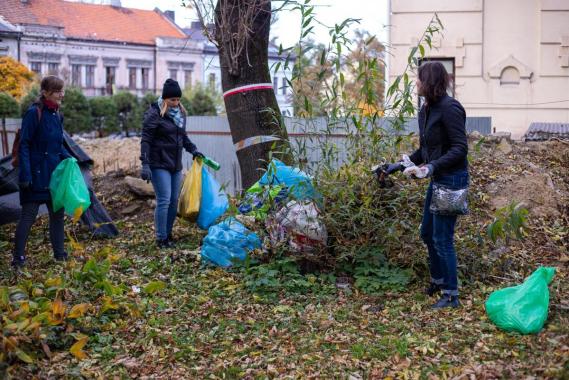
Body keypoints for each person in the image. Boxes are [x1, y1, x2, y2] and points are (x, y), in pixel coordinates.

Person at [379, 61, 469, 309]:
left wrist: (430, 168)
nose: (415, 83)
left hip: (451, 179)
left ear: (428, 81)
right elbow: (426, 150)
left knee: (442, 238)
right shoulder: (426, 109)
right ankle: (438, 281)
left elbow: (460, 149)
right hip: (438, 177)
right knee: (427, 233)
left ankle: (451, 295)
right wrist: (398, 165)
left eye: (418, 78)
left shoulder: (450, 108)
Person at [13, 75, 71, 268]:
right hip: (35, 175)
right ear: (46, 92)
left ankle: (60, 255)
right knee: (28, 217)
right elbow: (25, 145)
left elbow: (57, 145)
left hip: (54, 177)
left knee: (57, 217)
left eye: (62, 91)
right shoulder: (33, 113)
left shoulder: (57, 115)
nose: (62, 94)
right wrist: (26, 175)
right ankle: (18, 258)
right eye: (58, 91)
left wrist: (70, 160)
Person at [140, 79, 203, 249]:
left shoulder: (181, 113)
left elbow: (182, 137)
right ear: (165, 99)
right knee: (164, 199)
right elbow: (145, 140)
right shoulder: (154, 113)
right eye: (172, 100)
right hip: (158, 163)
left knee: (174, 201)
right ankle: (161, 238)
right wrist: (145, 164)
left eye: (178, 99)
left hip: (175, 164)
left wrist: (193, 150)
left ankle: (168, 235)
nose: (175, 103)